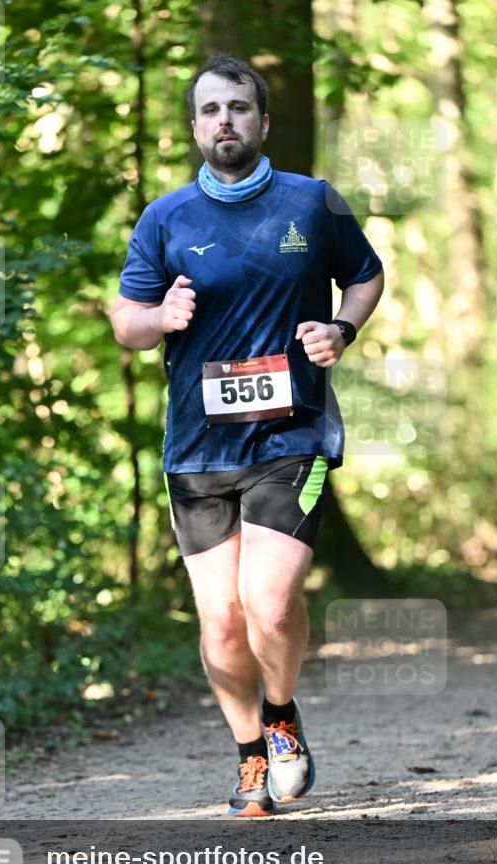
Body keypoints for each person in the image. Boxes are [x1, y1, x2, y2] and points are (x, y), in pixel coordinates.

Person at [110, 54, 384, 817]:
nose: (223, 120)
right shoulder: (165, 218)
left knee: (266, 601)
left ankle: (282, 713)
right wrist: (157, 320)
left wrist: (340, 327)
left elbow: (364, 274)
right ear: (195, 126)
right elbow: (125, 321)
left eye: (237, 107)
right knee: (221, 620)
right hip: (196, 451)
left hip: (290, 437)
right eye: (209, 110)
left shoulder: (310, 202)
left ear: (262, 122)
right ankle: (247, 757)